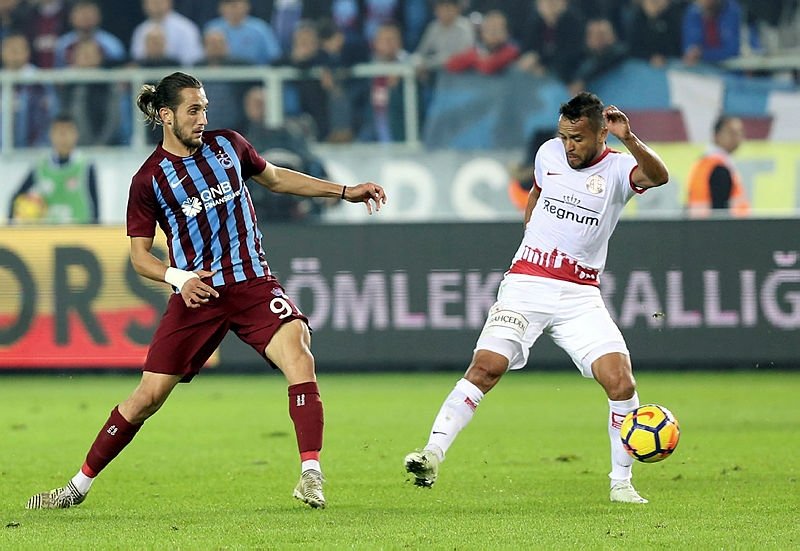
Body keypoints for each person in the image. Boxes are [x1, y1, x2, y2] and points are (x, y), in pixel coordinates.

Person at [25, 71, 387, 510]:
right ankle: (76, 487)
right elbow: (140, 257)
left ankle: (311, 473)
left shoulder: (229, 145)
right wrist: (180, 279)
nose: (202, 118)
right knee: (146, 398)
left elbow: (275, 178)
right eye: (193, 110)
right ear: (166, 116)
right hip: (198, 295)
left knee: (299, 352)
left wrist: (344, 191)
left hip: (252, 282)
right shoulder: (149, 180)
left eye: (205, 109)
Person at [403, 92, 670, 504]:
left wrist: (630, 138)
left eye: (578, 138)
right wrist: (532, 238)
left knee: (621, 381)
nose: (569, 146)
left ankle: (621, 483)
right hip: (527, 283)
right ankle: (432, 453)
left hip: (580, 294)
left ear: (602, 134)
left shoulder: (619, 169)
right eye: (564, 137)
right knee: (487, 367)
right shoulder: (548, 154)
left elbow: (659, 176)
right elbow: (537, 193)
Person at [8, 113, 99, 224]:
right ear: (51, 135)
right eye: (59, 132)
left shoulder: (86, 166)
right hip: (49, 231)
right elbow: (16, 197)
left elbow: (95, 207)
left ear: (76, 135)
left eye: (67, 131)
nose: (63, 137)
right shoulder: (40, 167)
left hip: (78, 231)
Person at [686, 114, 750, 217]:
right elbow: (719, 210)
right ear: (716, 135)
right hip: (716, 225)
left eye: (740, 133)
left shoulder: (705, 163)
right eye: (732, 133)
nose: (737, 138)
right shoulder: (719, 168)